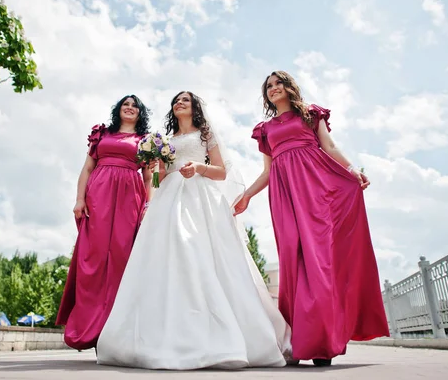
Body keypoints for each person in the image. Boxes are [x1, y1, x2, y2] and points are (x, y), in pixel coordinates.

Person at [96, 91, 291, 370]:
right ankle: (165, 335)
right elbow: (160, 179)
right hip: (168, 201)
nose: (179, 103)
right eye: (176, 100)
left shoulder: (205, 134)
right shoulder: (164, 140)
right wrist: (154, 167)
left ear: (195, 107)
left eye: (185, 100)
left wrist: (199, 167)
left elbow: (221, 171)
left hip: (201, 199)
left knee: (202, 255)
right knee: (168, 259)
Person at [234, 71, 390, 366]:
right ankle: (299, 341)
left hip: (316, 189)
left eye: (279, 83)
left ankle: (321, 344)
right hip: (284, 195)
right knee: (292, 260)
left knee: (319, 260)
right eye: (269, 86)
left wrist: (352, 170)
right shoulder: (265, 130)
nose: (274, 88)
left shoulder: (310, 115)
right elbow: (267, 171)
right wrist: (247, 196)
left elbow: (329, 148)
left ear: (290, 87)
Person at [56, 95, 153, 352]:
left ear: (140, 113)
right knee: (94, 257)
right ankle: (88, 327)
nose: (130, 108)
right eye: (125, 104)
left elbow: (148, 176)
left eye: (135, 105)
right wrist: (79, 199)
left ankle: (114, 332)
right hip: (98, 193)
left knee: (123, 257)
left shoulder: (145, 141)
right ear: (118, 110)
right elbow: (87, 168)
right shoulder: (102, 134)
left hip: (130, 196)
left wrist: (148, 205)